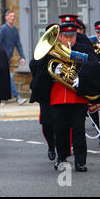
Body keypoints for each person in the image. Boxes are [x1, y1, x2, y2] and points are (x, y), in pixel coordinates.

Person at [30, 22, 100, 172]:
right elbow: (37, 68)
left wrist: (81, 78)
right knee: (60, 129)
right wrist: (53, 68)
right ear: (59, 36)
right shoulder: (51, 51)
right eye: (66, 36)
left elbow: (94, 67)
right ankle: (62, 157)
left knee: (78, 129)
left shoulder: (83, 49)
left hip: (77, 96)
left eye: (72, 36)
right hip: (58, 95)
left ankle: (80, 162)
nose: (69, 40)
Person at [29, 23, 58, 161]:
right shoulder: (42, 51)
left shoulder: (65, 48)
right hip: (45, 92)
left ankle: (63, 147)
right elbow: (32, 65)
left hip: (60, 89)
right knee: (46, 123)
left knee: (61, 122)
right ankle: (51, 146)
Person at [0, 10, 27, 105]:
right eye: (10, 16)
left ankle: (0, 98)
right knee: (10, 76)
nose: (12, 18)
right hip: (1, 58)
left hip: (7, 59)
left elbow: (18, 44)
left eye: (13, 16)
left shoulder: (14, 30)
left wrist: (22, 56)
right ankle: (18, 97)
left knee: (3, 78)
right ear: (6, 17)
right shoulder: (3, 29)